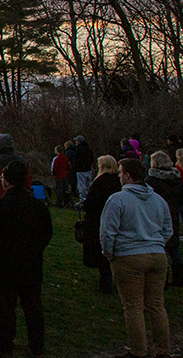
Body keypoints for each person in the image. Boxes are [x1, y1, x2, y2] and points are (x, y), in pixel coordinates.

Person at [101, 158, 174, 358]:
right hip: (157, 255)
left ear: (127, 175)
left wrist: (110, 254)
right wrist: (156, 242)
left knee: (133, 305)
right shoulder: (158, 200)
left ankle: (139, 351)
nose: (119, 176)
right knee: (156, 304)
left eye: (120, 173)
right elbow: (168, 229)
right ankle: (163, 349)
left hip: (129, 256)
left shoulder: (117, 200)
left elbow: (107, 233)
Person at [0, 160, 52, 358]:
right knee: (33, 307)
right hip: (30, 264)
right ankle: (36, 346)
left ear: (8, 181)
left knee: (5, 309)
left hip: (5, 266)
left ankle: (6, 346)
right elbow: (47, 233)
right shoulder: (37, 206)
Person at [83, 155, 121, 294]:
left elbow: (89, 204)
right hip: (116, 221)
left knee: (102, 254)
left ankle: (105, 284)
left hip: (98, 220)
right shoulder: (118, 182)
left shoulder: (100, 183)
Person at [146, 150, 183, 287]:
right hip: (172, 212)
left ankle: (163, 277)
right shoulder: (176, 179)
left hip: (155, 215)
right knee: (173, 246)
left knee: (159, 246)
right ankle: (179, 277)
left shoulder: (151, 181)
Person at [73, 135, 94, 205]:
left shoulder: (78, 150)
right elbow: (92, 159)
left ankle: (82, 200)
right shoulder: (89, 149)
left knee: (82, 186)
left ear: (79, 142)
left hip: (80, 170)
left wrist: (75, 168)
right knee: (88, 185)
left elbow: (76, 160)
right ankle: (89, 199)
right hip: (88, 169)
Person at [51, 144, 72, 208]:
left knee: (59, 189)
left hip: (59, 175)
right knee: (65, 189)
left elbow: (55, 168)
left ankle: (59, 203)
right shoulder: (65, 157)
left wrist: (54, 174)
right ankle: (66, 202)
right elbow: (68, 166)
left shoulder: (57, 159)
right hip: (65, 175)